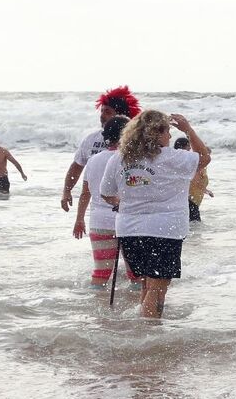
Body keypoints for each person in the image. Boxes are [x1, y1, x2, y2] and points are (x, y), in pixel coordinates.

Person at [100, 110, 210, 318]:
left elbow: (106, 193)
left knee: (147, 283)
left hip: (130, 230)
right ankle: (150, 333)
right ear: (156, 133)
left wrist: (124, 202)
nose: (169, 136)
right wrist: (187, 130)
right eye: (167, 132)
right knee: (157, 287)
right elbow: (204, 157)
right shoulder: (171, 158)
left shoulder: (119, 158)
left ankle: (145, 329)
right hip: (165, 230)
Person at [72, 116, 138, 286]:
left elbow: (85, 193)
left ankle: (96, 306)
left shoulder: (93, 160)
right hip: (128, 221)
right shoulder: (130, 159)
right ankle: (136, 308)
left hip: (99, 221)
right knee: (136, 273)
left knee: (101, 272)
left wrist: (79, 219)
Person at [61, 86, 141, 212]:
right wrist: (67, 191)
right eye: (102, 111)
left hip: (128, 210)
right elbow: (77, 167)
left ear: (121, 116)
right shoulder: (91, 139)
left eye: (107, 112)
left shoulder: (135, 141)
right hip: (99, 211)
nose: (102, 115)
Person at [174, 138, 213, 222]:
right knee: (196, 226)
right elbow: (194, 179)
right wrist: (205, 190)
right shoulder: (192, 163)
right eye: (188, 146)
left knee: (192, 227)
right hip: (189, 201)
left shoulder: (184, 161)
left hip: (188, 201)